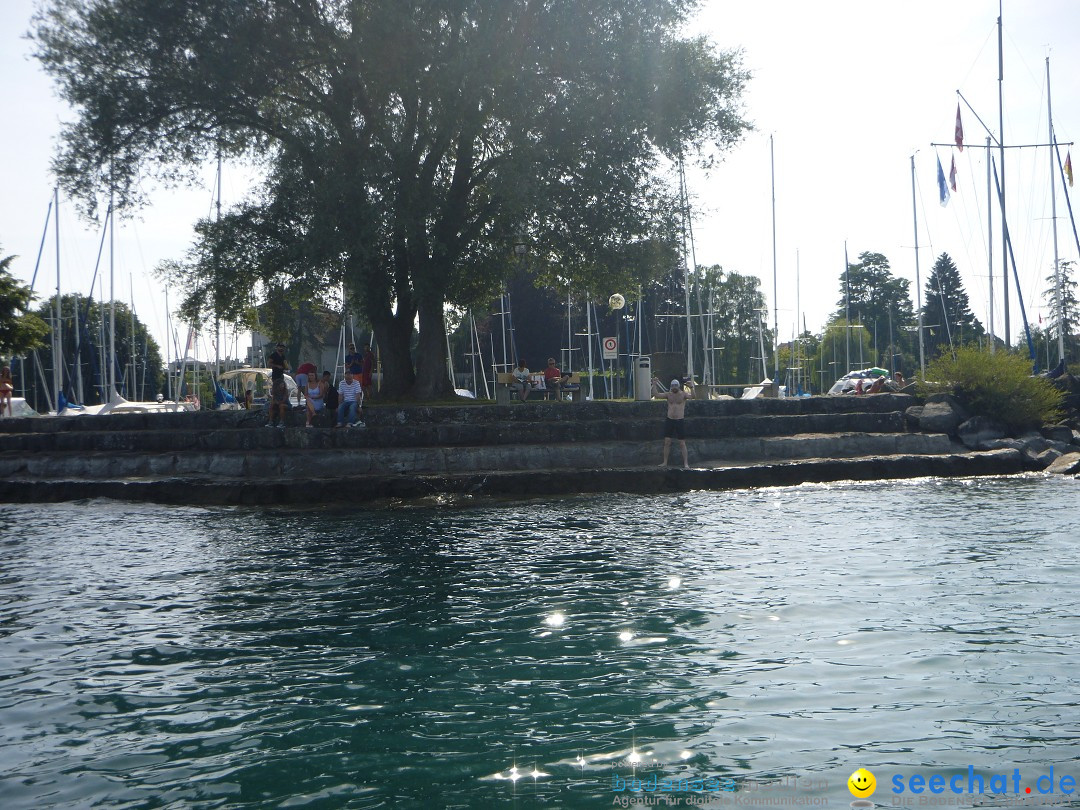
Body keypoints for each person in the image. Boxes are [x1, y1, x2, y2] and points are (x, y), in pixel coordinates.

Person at [652, 376, 694, 468]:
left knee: (682, 443)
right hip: (670, 420)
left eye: (676, 385)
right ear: (671, 386)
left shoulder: (683, 394)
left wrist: (691, 387)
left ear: (678, 386)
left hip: (679, 420)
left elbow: (693, 396)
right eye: (672, 386)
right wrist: (654, 384)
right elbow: (656, 395)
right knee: (667, 441)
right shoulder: (668, 394)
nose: (674, 387)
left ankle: (686, 463)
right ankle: (665, 462)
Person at [266, 342, 290, 428]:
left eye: (282, 348)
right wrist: (277, 366)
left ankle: (279, 421)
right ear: (277, 348)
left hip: (281, 376)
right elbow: (269, 364)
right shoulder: (273, 355)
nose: (281, 349)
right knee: (276, 389)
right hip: (275, 375)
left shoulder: (283, 356)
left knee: (282, 389)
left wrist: (286, 367)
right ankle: (271, 421)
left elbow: (286, 366)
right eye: (280, 347)